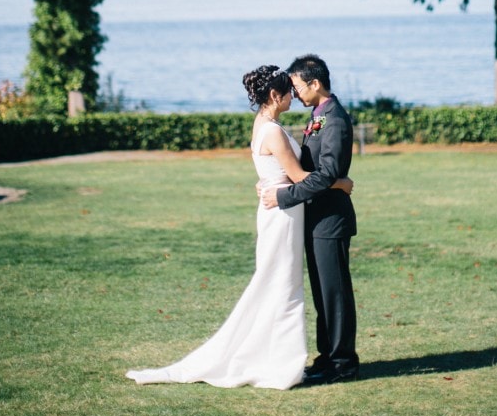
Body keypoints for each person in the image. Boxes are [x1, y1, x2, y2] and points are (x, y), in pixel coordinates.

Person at [125, 64, 353, 390]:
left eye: (296, 87)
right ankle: (282, 363)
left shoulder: (264, 124)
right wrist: (341, 183)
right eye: (289, 91)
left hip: (283, 209)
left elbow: (280, 170)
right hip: (282, 212)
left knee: (280, 284)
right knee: (281, 285)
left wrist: (271, 185)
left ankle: (293, 358)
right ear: (275, 95)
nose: (294, 95)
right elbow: (302, 177)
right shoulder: (273, 130)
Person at [261, 54, 359, 385]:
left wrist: (284, 196)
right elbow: (310, 168)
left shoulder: (335, 119)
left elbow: (328, 173)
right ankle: (327, 356)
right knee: (322, 293)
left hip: (330, 219)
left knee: (335, 293)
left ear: (315, 83)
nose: (295, 92)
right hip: (315, 217)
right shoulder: (317, 115)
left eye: (297, 85)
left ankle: (343, 362)